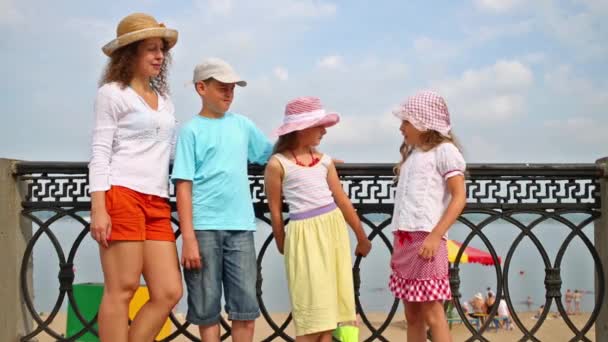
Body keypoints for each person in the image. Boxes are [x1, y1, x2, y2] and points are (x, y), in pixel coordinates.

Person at [88, 13, 182, 341]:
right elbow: (100, 153)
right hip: (121, 194)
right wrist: (98, 207)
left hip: (157, 199)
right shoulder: (113, 93)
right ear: (130, 54)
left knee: (169, 291)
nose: (159, 56)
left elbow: (169, 152)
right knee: (122, 289)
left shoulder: (165, 101)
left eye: (161, 50)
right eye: (150, 50)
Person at [172, 58, 272, 342]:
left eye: (232, 88)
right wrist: (188, 237)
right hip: (202, 229)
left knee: (245, 310)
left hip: (241, 227)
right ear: (201, 88)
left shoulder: (243, 125)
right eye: (222, 88)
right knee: (207, 311)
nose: (229, 94)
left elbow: (270, 154)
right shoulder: (190, 131)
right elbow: (183, 185)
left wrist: (310, 156)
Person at [264, 96, 372, 341]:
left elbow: (343, 201)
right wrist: (282, 242)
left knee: (331, 317)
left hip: (333, 232)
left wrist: (361, 236)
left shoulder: (324, 161)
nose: (324, 130)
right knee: (312, 316)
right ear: (301, 129)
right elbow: (275, 210)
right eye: (319, 125)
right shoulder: (277, 164)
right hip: (304, 237)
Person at [388, 91, 467, 342]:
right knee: (412, 315)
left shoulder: (445, 151)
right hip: (404, 239)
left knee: (433, 313)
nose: (401, 127)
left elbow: (459, 198)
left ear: (423, 122)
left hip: (427, 240)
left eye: (406, 121)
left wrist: (435, 236)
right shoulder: (413, 154)